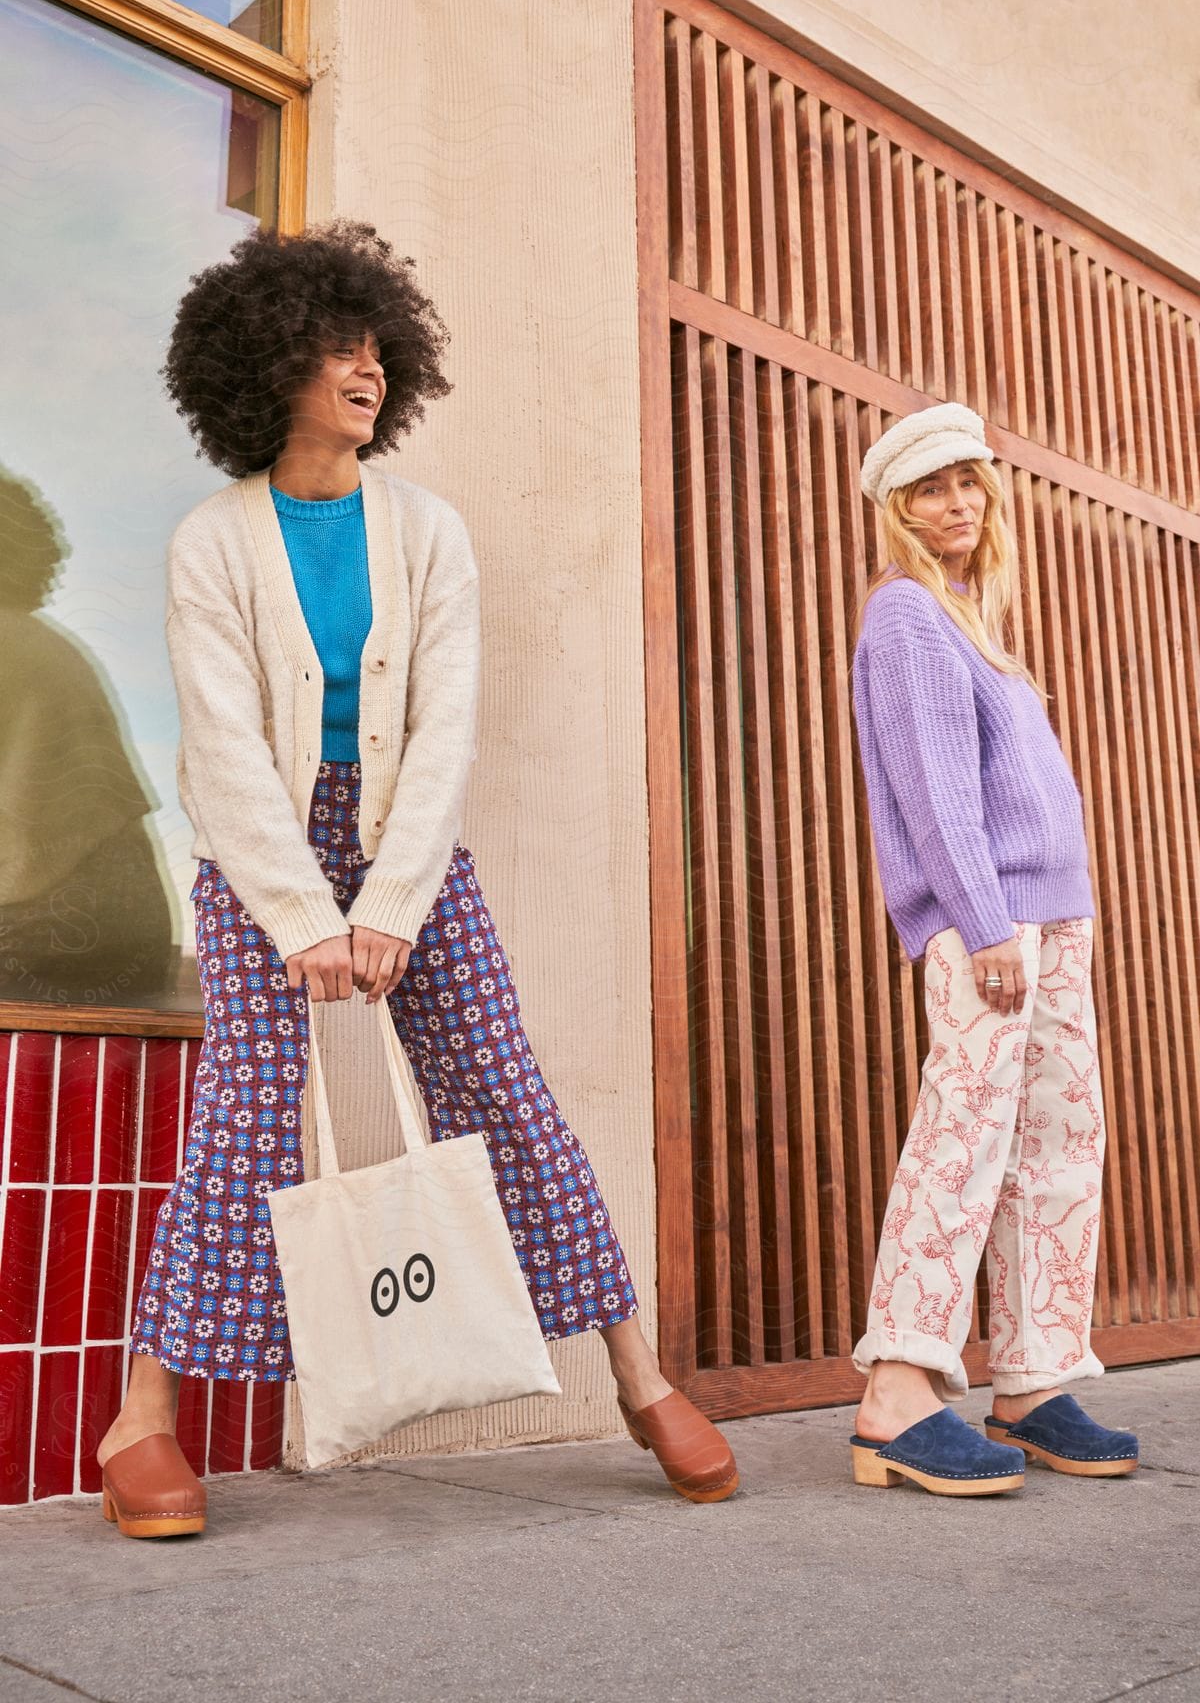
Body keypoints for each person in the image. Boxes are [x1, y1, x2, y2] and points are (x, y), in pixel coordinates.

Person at [96, 220, 737, 1537]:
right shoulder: (210, 544)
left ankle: (638, 1379)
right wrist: (298, 917)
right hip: (259, 857)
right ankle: (141, 1422)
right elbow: (220, 749)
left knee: (505, 1093)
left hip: (412, 853)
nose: (365, 365)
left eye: (376, 343)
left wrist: (388, 905)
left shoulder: (428, 531)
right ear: (268, 364)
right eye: (337, 345)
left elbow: (447, 729)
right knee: (247, 1119)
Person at [847, 401, 1139, 1496]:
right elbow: (934, 790)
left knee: (1060, 1151)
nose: (957, 504)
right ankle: (895, 1393)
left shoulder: (974, 617)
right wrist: (979, 920)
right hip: (993, 925)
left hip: (1052, 919)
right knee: (961, 1142)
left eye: (968, 482)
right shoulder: (909, 615)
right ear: (897, 508)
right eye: (931, 489)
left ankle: (1031, 1376)